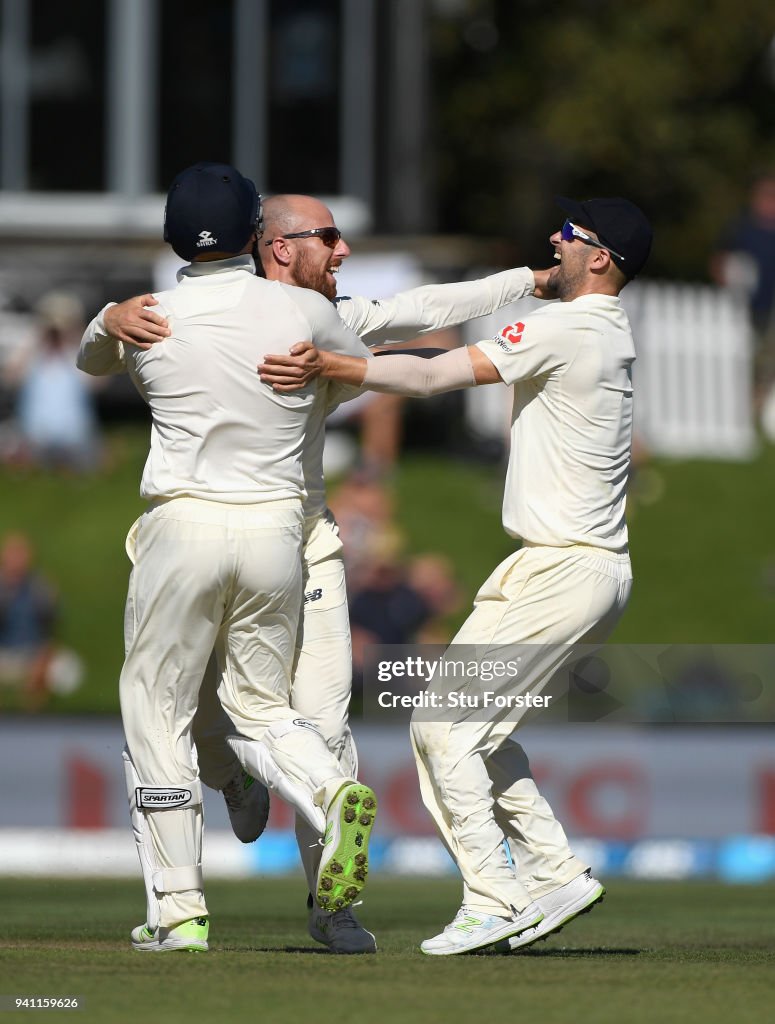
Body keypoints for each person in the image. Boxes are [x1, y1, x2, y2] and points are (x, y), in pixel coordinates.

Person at [80, 193, 544, 953]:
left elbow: (424, 305)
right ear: (275, 246)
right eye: (327, 236)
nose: (343, 250)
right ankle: (238, 781)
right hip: (266, 540)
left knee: (315, 723)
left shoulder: (314, 315)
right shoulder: (297, 316)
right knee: (215, 723)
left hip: (296, 545)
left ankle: (321, 908)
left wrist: (529, 278)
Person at [260, 196, 653, 955]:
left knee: (441, 727)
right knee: (482, 734)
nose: (554, 240)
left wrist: (331, 364)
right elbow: (430, 316)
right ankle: (554, 870)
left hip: (561, 568)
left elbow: (435, 375)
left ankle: (493, 896)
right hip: (570, 568)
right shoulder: (599, 330)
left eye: (568, 237)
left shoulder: (572, 329)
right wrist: (523, 281)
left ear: (598, 258)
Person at [77, 162, 380, 953]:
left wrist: (108, 317)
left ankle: (179, 910)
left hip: (183, 527)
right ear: (255, 234)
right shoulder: (299, 311)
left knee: (158, 714)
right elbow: (348, 377)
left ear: (172, 237)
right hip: (279, 533)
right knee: (261, 707)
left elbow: (89, 362)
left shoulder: (150, 318)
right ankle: (329, 787)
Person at [711, 171, 775, 407]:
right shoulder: (741, 228)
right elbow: (719, 260)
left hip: (771, 306)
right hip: (740, 306)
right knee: (740, 354)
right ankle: (738, 398)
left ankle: (761, 402)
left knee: (767, 359)